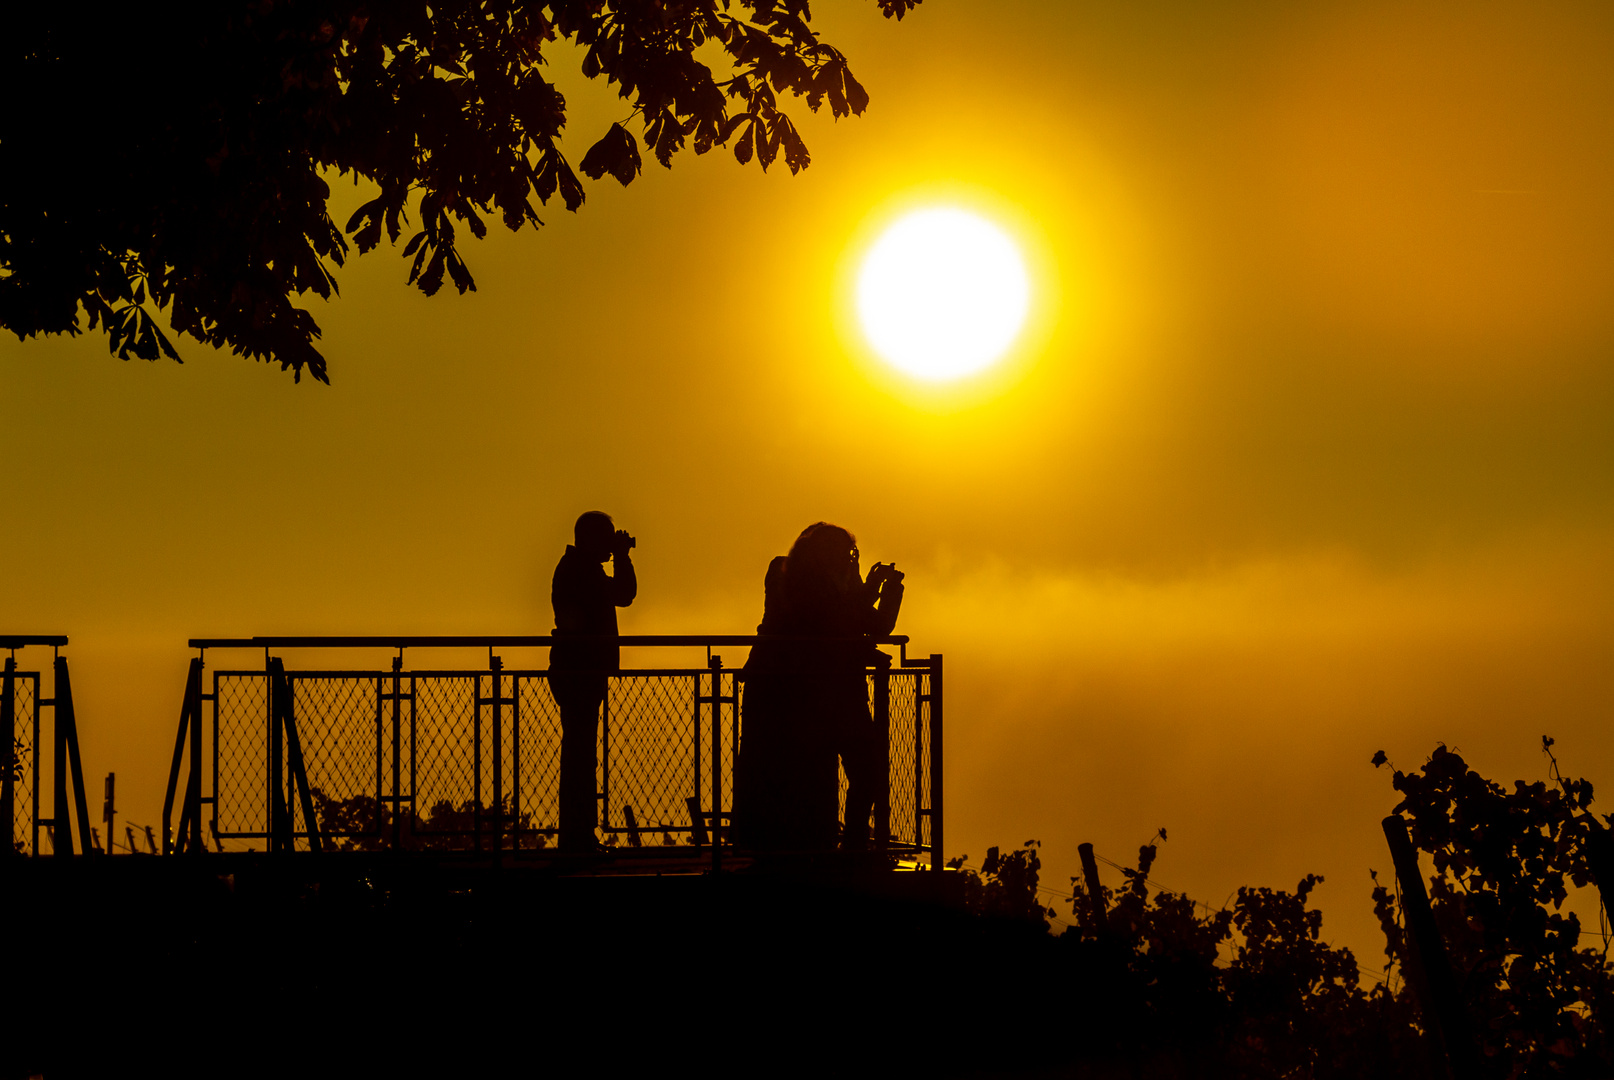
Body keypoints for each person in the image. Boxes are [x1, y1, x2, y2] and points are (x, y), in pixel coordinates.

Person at [736, 523, 903, 851]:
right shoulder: (790, 575)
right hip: (803, 694)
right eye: (842, 551)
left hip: (835, 691)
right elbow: (832, 620)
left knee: (863, 766)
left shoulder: (836, 583)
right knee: (829, 769)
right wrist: (867, 590)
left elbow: (872, 624)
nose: (847, 558)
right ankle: (828, 842)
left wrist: (883, 589)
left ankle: (851, 839)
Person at [548, 511, 637, 852]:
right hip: (579, 671)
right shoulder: (581, 570)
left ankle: (580, 834)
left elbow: (621, 595)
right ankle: (578, 838)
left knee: (581, 756)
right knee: (580, 759)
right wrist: (623, 558)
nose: (612, 544)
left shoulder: (581, 568)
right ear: (591, 538)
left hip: (580, 670)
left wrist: (620, 557)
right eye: (607, 537)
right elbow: (625, 594)